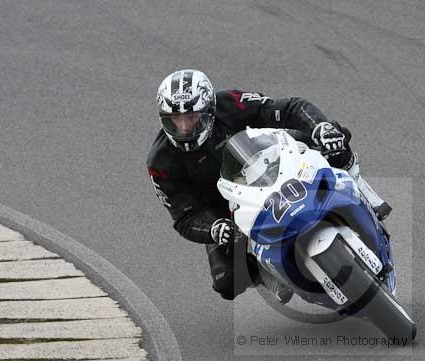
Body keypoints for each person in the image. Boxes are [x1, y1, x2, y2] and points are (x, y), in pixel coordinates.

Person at [146, 69, 390, 301]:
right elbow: (184, 217)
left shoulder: (230, 103)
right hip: (226, 206)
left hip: (272, 163)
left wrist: (320, 126)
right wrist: (213, 228)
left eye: (191, 117)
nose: (185, 127)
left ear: (209, 110)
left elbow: (286, 108)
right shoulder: (160, 163)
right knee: (226, 280)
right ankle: (267, 273)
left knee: (331, 137)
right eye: (176, 119)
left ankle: (358, 183)